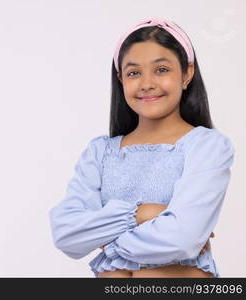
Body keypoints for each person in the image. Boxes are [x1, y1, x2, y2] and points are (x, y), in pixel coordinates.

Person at [48, 17, 235, 278]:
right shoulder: (100, 153)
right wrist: (143, 213)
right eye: (134, 72)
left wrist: (104, 239)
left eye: (161, 70)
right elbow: (67, 233)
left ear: (187, 73)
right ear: (121, 79)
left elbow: (182, 237)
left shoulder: (206, 146)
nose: (147, 83)